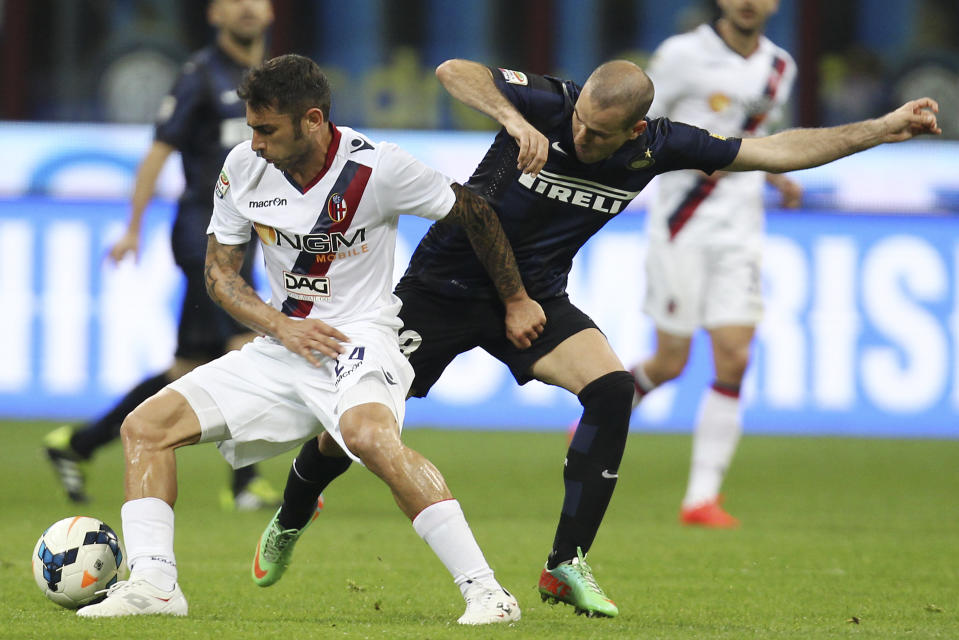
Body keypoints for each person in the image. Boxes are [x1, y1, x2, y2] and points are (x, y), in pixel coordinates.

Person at [259, 57, 941, 618]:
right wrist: (507, 116)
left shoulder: (662, 145)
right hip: (438, 291)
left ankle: (564, 565)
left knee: (613, 391)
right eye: (579, 123)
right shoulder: (550, 104)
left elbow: (774, 149)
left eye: (597, 133)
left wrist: (881, 127)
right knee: (353, 433)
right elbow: (453, 70)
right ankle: (292, 513)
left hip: (535, 300)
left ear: (635, 129)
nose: (581, 138)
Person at [77, 53, 545, 624]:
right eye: (251, 127)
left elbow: (475, 212)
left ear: (314, 120)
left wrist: (517, 299)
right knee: (145, 428)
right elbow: (220, 274)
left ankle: (488, 592)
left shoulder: (381, 169)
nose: (254, 142)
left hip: (361, 340)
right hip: (284, 344)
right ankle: (155, 586)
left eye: (266, 129)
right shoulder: (242, 168)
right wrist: (281, 327)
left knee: (369, 437)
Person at [44, 0, 280, 510]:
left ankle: (78, 444)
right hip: (203, 233)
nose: (246, 8)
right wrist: (131, 229)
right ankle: (244, 485)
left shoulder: (269, 81)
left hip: (246, 233)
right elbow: (158, 153)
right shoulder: (198, 75)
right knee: (246, 343)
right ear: (214, 14)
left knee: (187, 366)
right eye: (233, 1)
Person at [626, 0, 799, 529]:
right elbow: (637, 121)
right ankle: (611, 399)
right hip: (681, 223)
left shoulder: (779, 69)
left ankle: (701, 499)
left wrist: (777, 176)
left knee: (734, 357)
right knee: (671, 362)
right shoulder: (681, 55)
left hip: (740, 231)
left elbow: (757, 138)